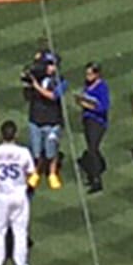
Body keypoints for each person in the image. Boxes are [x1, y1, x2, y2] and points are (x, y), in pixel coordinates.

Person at [0, 120, 36, 265]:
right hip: (20, 195)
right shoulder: (24, 152)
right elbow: (30, 172)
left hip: (2, 196)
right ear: (15, 134)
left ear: (1, 135)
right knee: (20, 233)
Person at [25, 53, 67, 190]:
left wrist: (36, 86)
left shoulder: (60, 80)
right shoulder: (37, 77)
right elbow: (27, 96)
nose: (49, 68)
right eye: (47, 64)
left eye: (52, 64)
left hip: (52, 120)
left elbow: (53, 96)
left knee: (51, 150)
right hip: (36, 118)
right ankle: (36, 171)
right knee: (36, 151)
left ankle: (52, 173)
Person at [75, 62, 110, 193]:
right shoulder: (88, 85)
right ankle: (93, 175)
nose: (87, 76)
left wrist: (88, 105)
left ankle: (96, 179)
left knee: (93, 149)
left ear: (97, 74)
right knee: (91, 147)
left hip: (97, 122)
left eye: (90, 73)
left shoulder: (102, 87)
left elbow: (103, 107)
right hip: (88, 120)